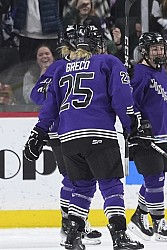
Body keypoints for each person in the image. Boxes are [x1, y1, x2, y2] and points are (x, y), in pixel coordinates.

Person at [23, 24, 144, 250]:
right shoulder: (109, 62)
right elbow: (122, 100)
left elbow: (49, 106)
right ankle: (119, 235)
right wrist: (131, 127)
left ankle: (73, 235)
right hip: (98, 133)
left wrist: (38, 134)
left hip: (67, 138)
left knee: (82, 187)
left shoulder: (61, 69)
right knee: (111, 186)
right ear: (98, 45)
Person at [28, 27, 103, 247]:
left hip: (77, 130)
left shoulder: (91, 65)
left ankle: (75, 223)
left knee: (82, 179)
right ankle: (69, 224)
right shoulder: (60, 66)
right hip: (60, 132)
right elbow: (36, 95)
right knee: (74, 179)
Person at [126, 32, 167, 242]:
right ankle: (159, 222)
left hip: (162, 133)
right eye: (154, 49)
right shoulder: (138, 73)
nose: (159, 52)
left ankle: (139, 216)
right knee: (155, 180)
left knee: (157, 179)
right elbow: (129, 105)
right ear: (144, 51)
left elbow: (159, 100)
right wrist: (138, 125)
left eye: (161, 48)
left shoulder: (160, 71)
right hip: (143, 136)